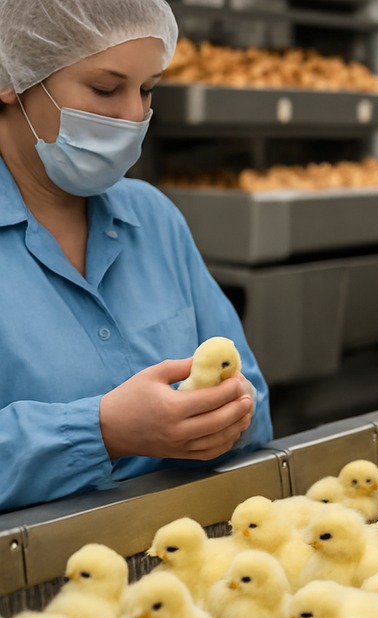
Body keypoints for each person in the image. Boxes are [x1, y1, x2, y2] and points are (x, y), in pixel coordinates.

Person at [0, 0, 272, 513]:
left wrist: (218, 418)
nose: (133, 116)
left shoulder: (152, 218)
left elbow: (252, 402)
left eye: (148, 90)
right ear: (13, 78)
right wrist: (103, 432)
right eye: (105, 89)